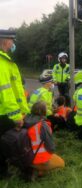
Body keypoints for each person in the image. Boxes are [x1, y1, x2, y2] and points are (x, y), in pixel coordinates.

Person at [0, 29, 27, 178]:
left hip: (5, 111)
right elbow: (5, 92)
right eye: (12, 40)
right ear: (5, 41)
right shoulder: (1, 62)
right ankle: (4, 172)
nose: (13, 43)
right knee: (8, 143)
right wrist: (16, 115)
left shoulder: (5, 60)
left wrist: (23, 109)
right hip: (3, 113)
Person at [24, 101, 65, 177]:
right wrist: (51, 152)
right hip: (39, 159)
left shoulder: (24, 120)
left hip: (25, 156)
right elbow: (50, 147)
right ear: (44, 112)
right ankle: (39, 170)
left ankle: (35, 168)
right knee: (61, 163)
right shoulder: (43, 125)